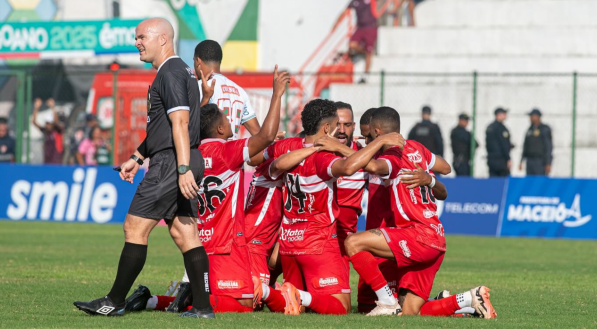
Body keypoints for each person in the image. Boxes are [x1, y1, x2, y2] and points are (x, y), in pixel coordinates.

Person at [73, 18, 214, 319]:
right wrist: (137, 158)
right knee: (185, 234)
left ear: (162, 39)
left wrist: (183, 167)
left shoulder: (171, 72)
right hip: (179, 157)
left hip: (173, 162)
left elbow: (179, 123)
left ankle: (114, 301)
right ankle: (203, 308)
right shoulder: (178, 72)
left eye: (141, 37)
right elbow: (163, 127)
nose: (136, 42)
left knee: (134, 227)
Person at [124, 66, 291, 314]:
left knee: (212, 295)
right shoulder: (228, 151)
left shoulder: (191, 153)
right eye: (225, 118)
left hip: (198, 244)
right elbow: (265, 136)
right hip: (228, 245)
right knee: (245, 305)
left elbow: (196, 124)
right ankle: (185, 296)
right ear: (221, 130)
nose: (228, 120)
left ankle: (151, 300)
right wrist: (277, 94)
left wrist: (204, 99)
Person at [343, 106, 497, 318]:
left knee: (352, 243)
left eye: (369, 136)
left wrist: (342, 147)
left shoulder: (393, 158)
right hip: (436, 238)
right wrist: (429, 177)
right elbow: (445, 168)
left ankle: (387, 303)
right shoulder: (417, 149)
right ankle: (468, 300)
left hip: (416, 235)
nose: (367, 141)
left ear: (378, 133)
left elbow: (372, 166)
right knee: (408, 312)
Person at [253, 99, 403, 316]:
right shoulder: (324, 157)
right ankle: (288, 292)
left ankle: (266, 292)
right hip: (320, 242)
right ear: (326, 128)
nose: (340, 130)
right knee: (340, 307)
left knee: (298, 308)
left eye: (347, 125)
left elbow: (262, 160)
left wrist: (270, 143)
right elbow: (350, 167)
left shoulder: (288, 146)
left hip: (290, 241)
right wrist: (378, 143)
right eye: (336, 124)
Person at [193, 40, 261, 139]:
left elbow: (191, 127)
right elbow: (257, 133)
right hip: (233, 152)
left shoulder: (198, 87)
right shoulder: (240, 91)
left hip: (208, 152)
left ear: (198, 62)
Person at [334, 0, 380, 83]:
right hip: (360, 28)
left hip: (371, 27)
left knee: (369, 53)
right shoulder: (354, 2)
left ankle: (365, 76)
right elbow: (345, 12)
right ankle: (364, 52)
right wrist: (336, 24)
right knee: (352, 45)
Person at [519, 109, 552, 176]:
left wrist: (548, 163)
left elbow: (548, 146)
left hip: (539, 161)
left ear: (537, 117)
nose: (530, 118)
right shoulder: (530, 129)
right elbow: (525, 146)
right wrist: (521, 161)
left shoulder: (544, 129)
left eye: (532, 116)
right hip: (529, 160)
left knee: (539, 181)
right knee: (529, 182)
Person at [31, 98, 64, 164]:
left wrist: (53, 107)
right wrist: (36, 108)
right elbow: (34, 122)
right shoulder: (45, 131)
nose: (48, 125)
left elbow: (56, 121)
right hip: (47, 157)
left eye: (49, 123)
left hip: (56, 158)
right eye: (46, 123)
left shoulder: (57, 130)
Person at [485, 107, 512, 177]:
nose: (506, 116)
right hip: (501, 160)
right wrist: (508, 158)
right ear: (499, 115)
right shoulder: (501, 128)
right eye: (504, 114)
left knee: (493, 181)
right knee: (503, 182)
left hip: (491, 159)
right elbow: (504, 144)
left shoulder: (490, 127)